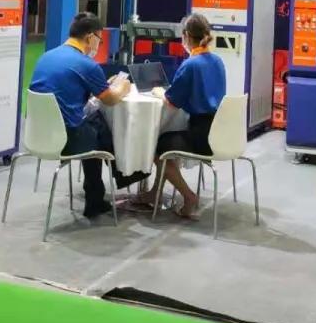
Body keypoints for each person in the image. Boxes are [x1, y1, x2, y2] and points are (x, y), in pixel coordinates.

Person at [29, 13, 140, 218]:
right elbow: (110, 99)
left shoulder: (47, 57)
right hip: (68, 140)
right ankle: (125, 174)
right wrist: (123, 88)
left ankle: (98, 194)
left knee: (92, 126)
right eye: (99, 40)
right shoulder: (86, 64)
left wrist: (102, 84)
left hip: (38, 135)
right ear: (90, 37)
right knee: (99, 122)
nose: (98, 45)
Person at [135, 13, 226, 219]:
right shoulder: (217, 61)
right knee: (169, 142)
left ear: (185, 36)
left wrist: (159, 92)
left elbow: (171, 102)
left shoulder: (190, 65)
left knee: (158, 148)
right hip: (219, 132)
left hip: (201, 135)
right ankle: (154, 193)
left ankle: (188, 196)